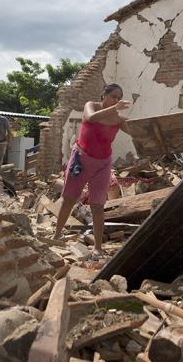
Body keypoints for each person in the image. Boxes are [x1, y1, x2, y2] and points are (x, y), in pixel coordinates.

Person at [53, 84, 130, 256]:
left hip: (103, 164)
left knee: (97, 205)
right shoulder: (91, 106)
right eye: (113, 96)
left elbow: (137, 132)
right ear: (104, 95)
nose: (115, 100)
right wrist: (113, 109)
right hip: (81, 159)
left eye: (118, 98)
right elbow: (92, 118)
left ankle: (97, 247)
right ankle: (57, 235)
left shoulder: (118, 119)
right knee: (69, 199)